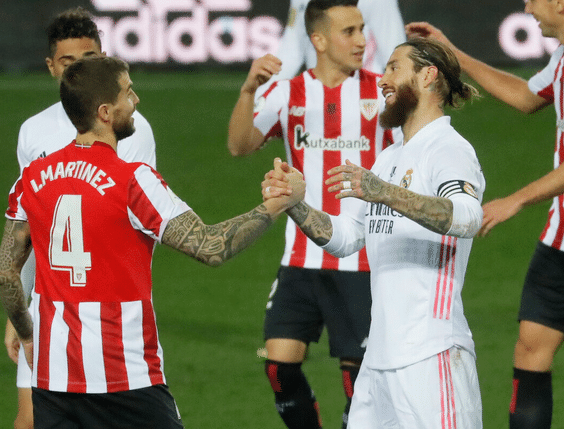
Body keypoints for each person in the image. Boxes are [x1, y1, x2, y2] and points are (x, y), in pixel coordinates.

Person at [0, 56, 304, 429]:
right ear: (105, 113)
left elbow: (5, 275)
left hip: (53, 380)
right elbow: (211, 247)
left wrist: (28, 335)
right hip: (124, 377)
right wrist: (278, 203)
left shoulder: (30, 179)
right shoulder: (131, 181)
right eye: (128, 93)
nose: (136, 100)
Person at [263, 37, 486, 428]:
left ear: (428, 76)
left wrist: (384, 192)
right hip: (378, 362)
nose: (382, 79)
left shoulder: (448, 149)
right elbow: (348, 237)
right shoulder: (389, 157)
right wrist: (295, 205)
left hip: (429, 356)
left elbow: (468, 217)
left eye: (394, 67)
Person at [227, 1, 398, 427]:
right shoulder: (287, 93)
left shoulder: (383, 93)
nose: (361, 41)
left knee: (359, 381)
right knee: (277, 366)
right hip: (301, 258)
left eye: (361, 29)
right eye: (349, 32)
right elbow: (240, 145)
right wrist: (247, 91)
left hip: (361, 260)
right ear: (318, 40)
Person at [406, 4, 564, 427]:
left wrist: (517, 200)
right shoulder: (562, 57)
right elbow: (527, 97)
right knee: (531, 349)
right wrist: (452, 54)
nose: (527, 7)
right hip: (560, 237)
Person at [2, 7, 156, 429]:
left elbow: (136, 219)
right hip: (48, 307)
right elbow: (31, 230)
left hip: (109, 309)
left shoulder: (131, 127)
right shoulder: (32, 132)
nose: (77, 69)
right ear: (52, 67)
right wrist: (19, 308)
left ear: (103, 58)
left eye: (88, 59)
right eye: (68, 61)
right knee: (29, 418)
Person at [254, 0, 405, 98]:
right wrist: (260, 96)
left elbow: (395, 52)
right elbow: (292, 49)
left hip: (366, 98)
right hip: (318, 96)